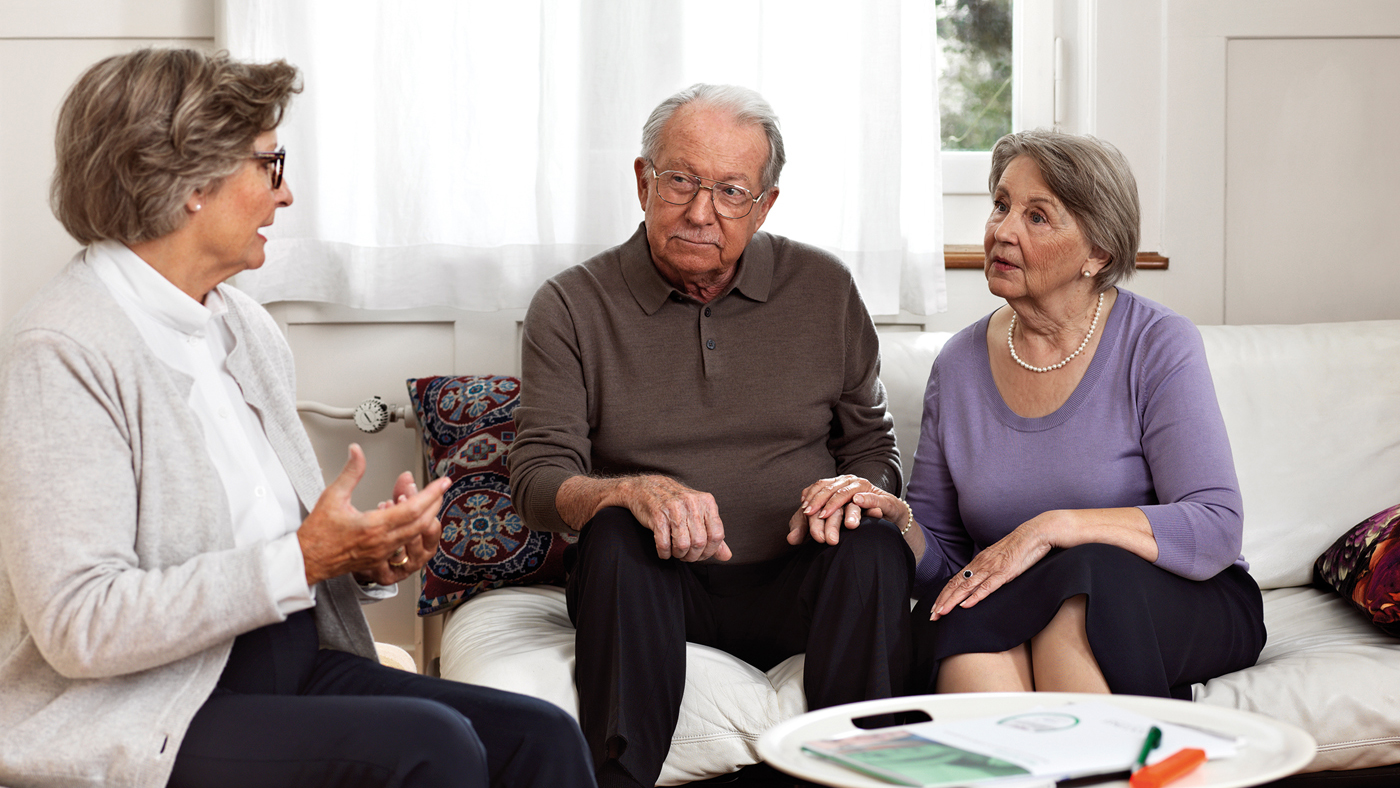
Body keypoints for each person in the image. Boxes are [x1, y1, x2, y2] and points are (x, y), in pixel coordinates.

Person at [0, 48, 594, 788]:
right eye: (269, 165)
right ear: (191, 178)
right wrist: (308, 558)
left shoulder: (245, 328)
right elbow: (79, 624)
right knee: (430, 747)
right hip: (144, 706)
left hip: (291, 662)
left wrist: (368, 553)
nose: (286, 196)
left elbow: (292, 549)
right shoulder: (64, 348)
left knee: (542, 737)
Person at [508, 83, 919, 788]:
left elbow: (873, 449)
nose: (701, 212)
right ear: (643, 181)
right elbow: (536, 481)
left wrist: (862, 488)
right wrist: (632, 493)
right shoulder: (571, 305)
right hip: (657, 585)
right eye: (680, 182)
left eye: (731, 191)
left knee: (874, 545)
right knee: (612, 532)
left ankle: (861, 778)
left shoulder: (823, 287)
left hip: (799, 576)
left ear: (765, 205)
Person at [849, 129, 1266, 699]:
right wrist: (896, 520)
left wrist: (1054, 528)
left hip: (1179, 597)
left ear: (1098, 254)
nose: (1002, 230)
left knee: (1081, 588)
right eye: (1001, 205)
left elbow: (1216, 525)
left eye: (1037, 216)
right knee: (966, 632)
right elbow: (949, 567)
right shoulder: (958, 365)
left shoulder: (1158, 343)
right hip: (1023, 599)